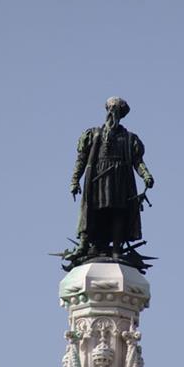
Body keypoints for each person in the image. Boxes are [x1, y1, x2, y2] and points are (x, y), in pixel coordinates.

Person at [70, 97, 154, 259]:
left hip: (120, 179)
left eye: (116, 110)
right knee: (96, 211)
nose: (112, 113)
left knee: (118, 212)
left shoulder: (129, 138)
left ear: (121, 114)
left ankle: (116, 247)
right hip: (97, 179)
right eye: (110, 109)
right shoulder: (93, 134)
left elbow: (138, 161)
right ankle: (94, 245)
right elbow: (81, 160)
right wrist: (74, 180)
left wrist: (146, 175)